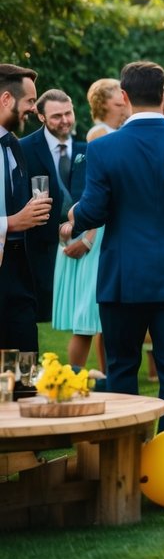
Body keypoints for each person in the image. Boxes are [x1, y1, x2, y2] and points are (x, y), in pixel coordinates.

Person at [70, 61, 164, 431]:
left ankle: (127, 452)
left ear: (124, 96)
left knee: (122, 366)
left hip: (124, 275)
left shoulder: (104, 149)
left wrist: (73, 216)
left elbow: (93, 211)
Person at [52, 82, 114, 372]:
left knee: (102, 315)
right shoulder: (101, 133)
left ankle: (107, 378)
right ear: (105, 102)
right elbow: (95, 192)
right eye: (119, 98)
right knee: (88, 315)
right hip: (97, 231)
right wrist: (89, 236)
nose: (125, 102)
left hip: (105, 228)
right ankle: (74, 376)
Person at [20, 88, 86, 324]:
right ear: (41, 116)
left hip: (82, 244)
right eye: (57, 116)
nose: (65, 120)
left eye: (68, 113)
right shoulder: (23, 148)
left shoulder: (86, 148)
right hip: (40, 249)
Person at [0, 64, 54, 352]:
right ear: (6, 99)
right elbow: (12, 218)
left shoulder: (14, 145)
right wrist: (11, 222)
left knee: (25, 366)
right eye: (31, 101)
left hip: (18, 273)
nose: (34, 109)